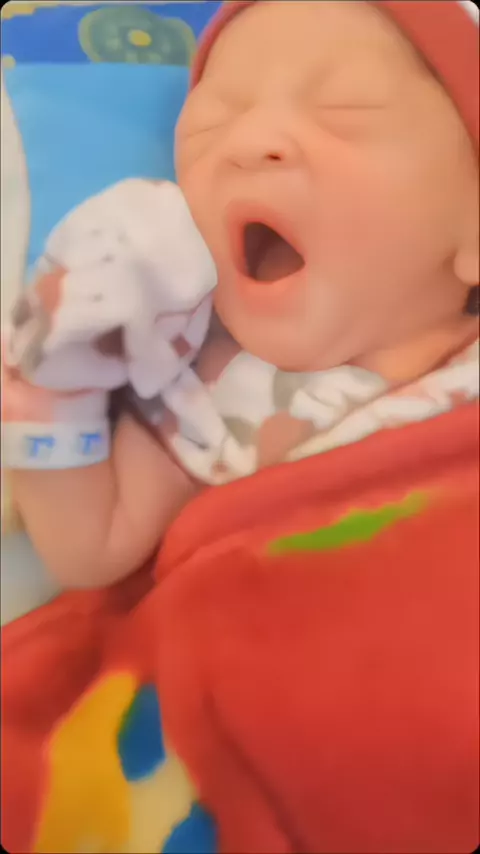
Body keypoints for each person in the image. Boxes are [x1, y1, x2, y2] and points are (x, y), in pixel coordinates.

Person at [2, 3, 479, 852]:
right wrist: (54, 384)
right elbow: (90, 551)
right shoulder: (213, 390)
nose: (249, 140)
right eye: (209, 121)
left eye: (348, 109)